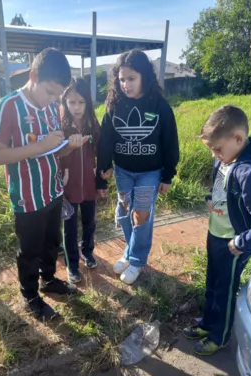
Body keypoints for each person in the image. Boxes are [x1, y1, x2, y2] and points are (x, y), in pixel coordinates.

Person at [0, 48, 88, 322]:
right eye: (50, 93)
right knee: (29, 249)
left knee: (50, 242)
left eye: (58, 96)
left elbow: (54, 151)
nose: (54, 100)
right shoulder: (9, 106)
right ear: (33, 76)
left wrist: (69, 147)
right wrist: (40, 146)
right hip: (27, 196)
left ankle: (49, 280)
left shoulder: (52, 109)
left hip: (53, 190)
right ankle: (30, 294)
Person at [96, 49, 180, 285]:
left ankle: (137, 260)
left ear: (145, 76)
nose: (125, 84)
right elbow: (106, 141)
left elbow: (170, 142)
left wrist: (168, 175)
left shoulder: (160, 107)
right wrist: (102, 171)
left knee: (141, 215)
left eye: (131, 79)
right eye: (121, 79)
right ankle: (129, 252)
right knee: (124, 214)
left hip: (150, 174)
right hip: (123, 171)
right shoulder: (113, 105)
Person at [183, 105, 251, 356]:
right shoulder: (226, 158)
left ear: (238, 138)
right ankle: (207, 323)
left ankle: (220, 336)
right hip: (216, 233)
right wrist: (210, 198)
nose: (214, 155)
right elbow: (221, 186)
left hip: (234, 243)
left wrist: (243, 242)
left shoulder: (250, 172)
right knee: (212, 282)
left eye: (217, 149)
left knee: (225, 289)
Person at [58, 78, 100, 283]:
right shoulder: (61, 126)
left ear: (88, 103)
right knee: (70, 227)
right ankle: (72, 264)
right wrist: (60, 183)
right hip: (68, 188)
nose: (76, 107)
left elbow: (100, 150)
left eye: (81, 102)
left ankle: (88, 252)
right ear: (65, 102)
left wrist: (102, 178)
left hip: (90, 186)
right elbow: (55, 156)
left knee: (89, 223)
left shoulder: (93, 124)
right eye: (72, 102)